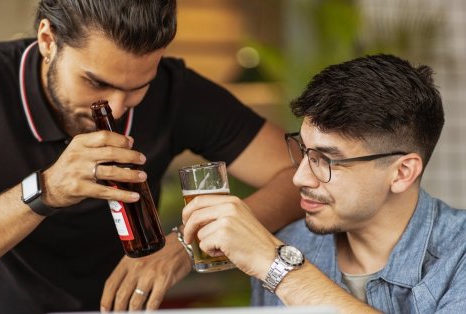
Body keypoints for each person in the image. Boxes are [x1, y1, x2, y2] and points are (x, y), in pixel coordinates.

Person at [0, 0, 303, 313]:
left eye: (139, 87)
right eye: (96, 82)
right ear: (47, 40)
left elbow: (300, 174)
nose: (117, 108)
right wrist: (46, 189)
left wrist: (187, 246)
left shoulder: (176, 90)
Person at [182, 54, 466, 312]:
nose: (299, 177)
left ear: (403, 172)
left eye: (327, 160)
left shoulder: (458, 254)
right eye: (304, 151)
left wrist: (278, 267)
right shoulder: (289, 243)